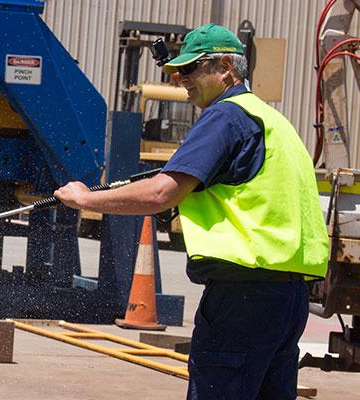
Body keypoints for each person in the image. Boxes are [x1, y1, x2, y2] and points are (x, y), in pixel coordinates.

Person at [54, 23, 329, 400]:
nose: (182, 79)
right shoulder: (273, 122)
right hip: (288, 297)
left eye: (192, 69)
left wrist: (85, 199)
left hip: (242, 299)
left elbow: (160, 194)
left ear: (226, 70)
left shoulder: (226, 118)